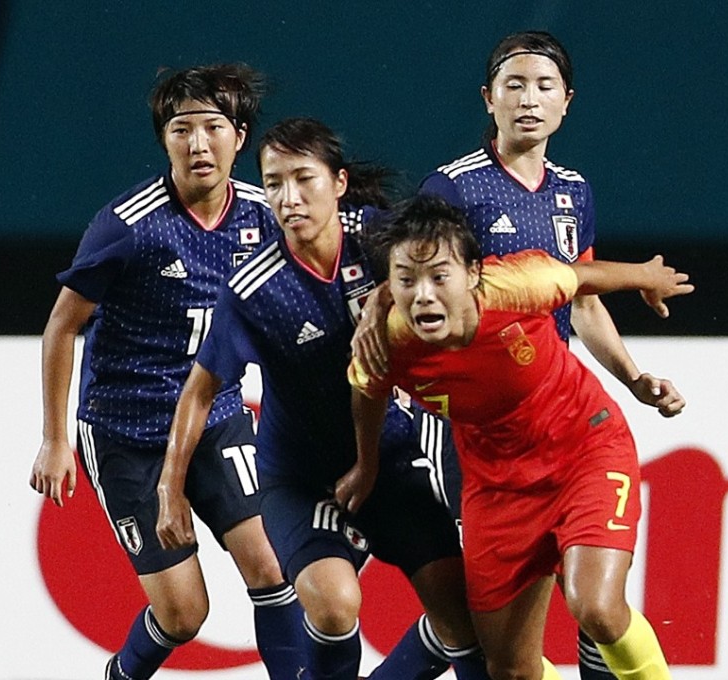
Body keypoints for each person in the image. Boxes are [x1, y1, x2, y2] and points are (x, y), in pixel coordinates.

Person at [352, 31, 685, 680]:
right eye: (514, 85)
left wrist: (635, 378)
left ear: (567, 103)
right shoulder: (452, 187)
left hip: (554, 401)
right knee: (497, 648)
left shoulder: (573, 191)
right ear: (488, 100)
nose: (528, 99)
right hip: (469, 427)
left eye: (544, 87)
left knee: (592, 600)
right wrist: (375, 320)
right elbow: (407, 269)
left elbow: (583, 301)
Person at [158, 118, 492, 680]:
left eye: (303, 179)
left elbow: (456, 263)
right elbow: (198, 393)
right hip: (301, 476)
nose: (288, 198)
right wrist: (170, 489)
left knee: (461, 613)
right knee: (336, 605)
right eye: (272, 183)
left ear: (338, 183)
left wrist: (389, 292)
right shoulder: (254, 289)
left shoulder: (382, 239)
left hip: (388, 459)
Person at [28, 64, 304, 680]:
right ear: (164, 139)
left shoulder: (266, 217)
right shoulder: (130, 225)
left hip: (215, 418)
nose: (198, 144)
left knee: (274, 567)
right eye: (182, 129)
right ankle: (122, 674)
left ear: (240, 135)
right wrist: (54, 439)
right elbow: (61, 328)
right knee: (184, 615)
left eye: (213, 127)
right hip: (129, 433)